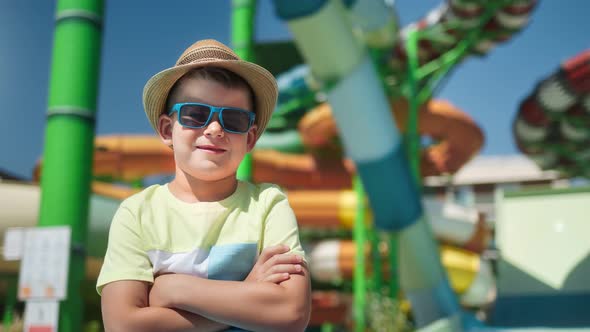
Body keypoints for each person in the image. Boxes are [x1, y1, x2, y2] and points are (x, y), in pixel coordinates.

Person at [97, 39, 311, 332]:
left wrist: (173, 289)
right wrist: (247, 291)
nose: (214, 129)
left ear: (249, 139)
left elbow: (290, 313)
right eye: (195, 115)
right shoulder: (137, 213)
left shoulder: (268, 204)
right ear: (167, 129)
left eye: (233, 119)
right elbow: (124, 326)